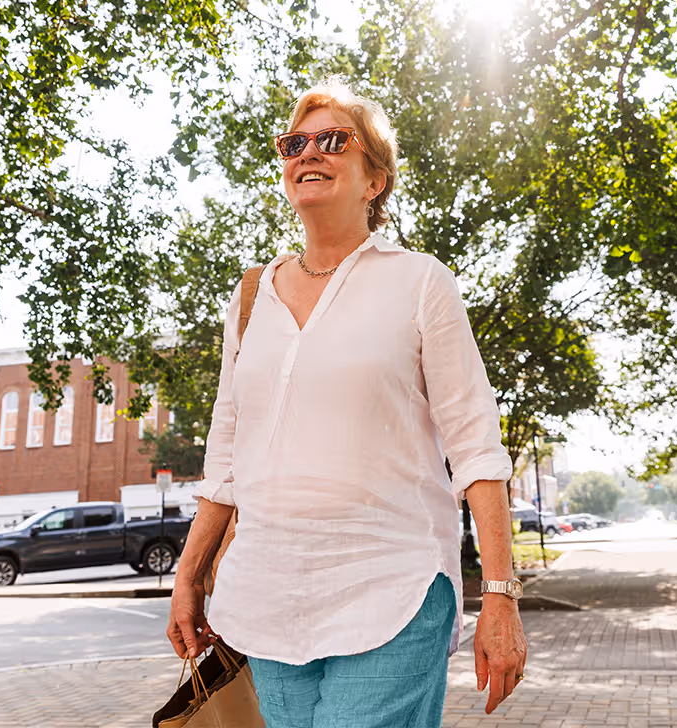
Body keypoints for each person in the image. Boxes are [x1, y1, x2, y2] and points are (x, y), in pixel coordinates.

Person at [166, 77, 528, 727]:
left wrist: (500, 594)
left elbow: (476, 447)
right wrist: (188, 575)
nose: (309, 151)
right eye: (294, 142)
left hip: (392, 589)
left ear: (375, 179)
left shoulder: (420, 283)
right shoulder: (253, 297)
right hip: (266, 599)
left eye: (333, 139)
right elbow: (226, 454)